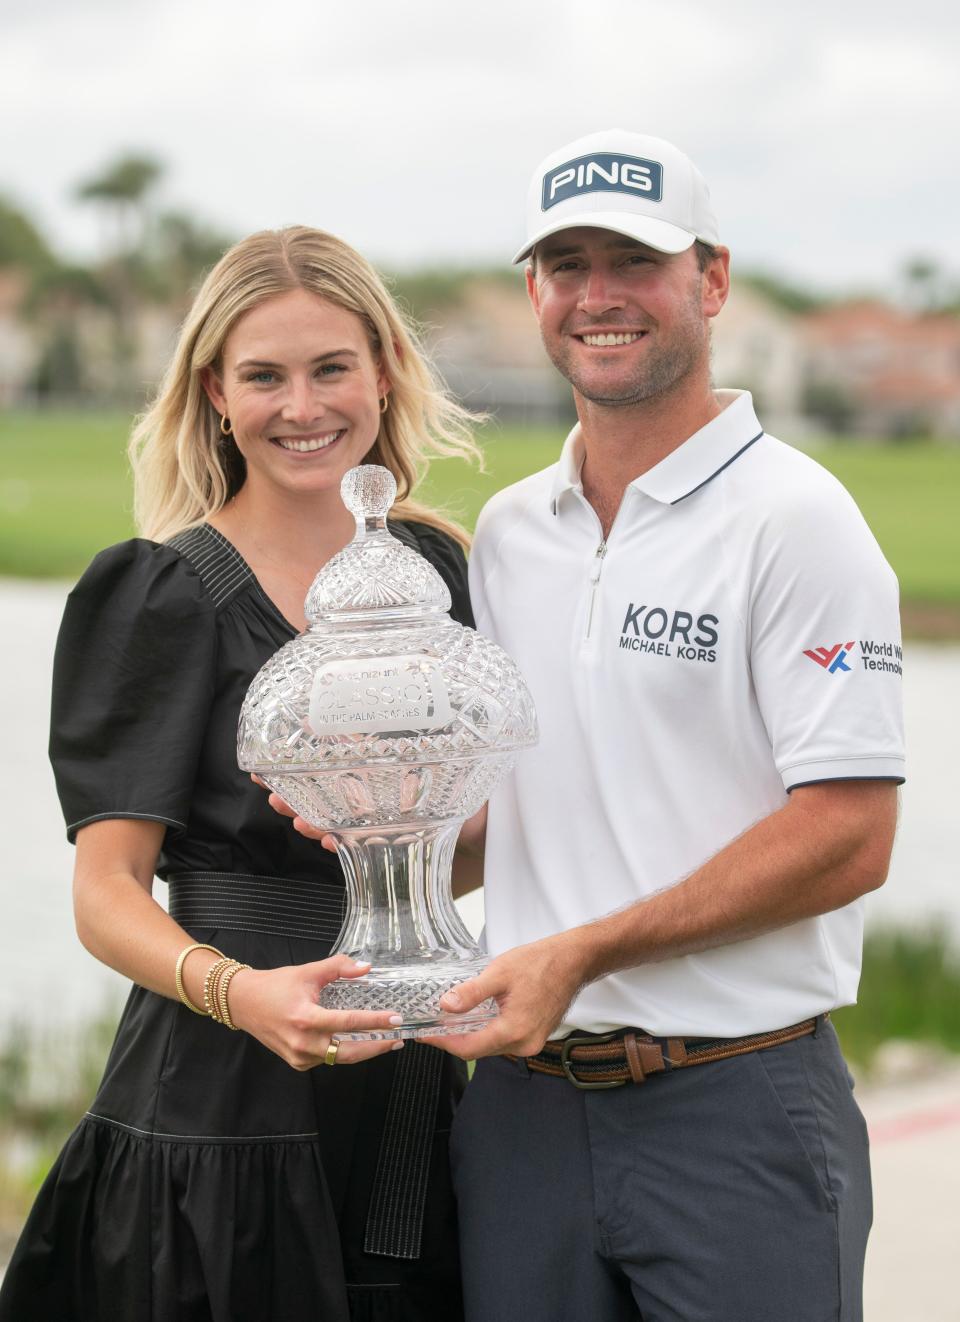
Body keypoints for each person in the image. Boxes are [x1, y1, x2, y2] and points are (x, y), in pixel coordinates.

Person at [433, 130, 905, 1321]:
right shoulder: (509, 531)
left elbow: (850, 834)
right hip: (524, 1116)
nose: (599, 296)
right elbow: (544, 807)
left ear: (712, 279)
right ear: (537, 289)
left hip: (733, 1103)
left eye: (635, 262)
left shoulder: (797, 520)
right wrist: (395, 839)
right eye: (567, 261)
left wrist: (581, 951)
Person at [0, 226, 478, 1322]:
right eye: (264, 375)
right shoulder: (160, 591)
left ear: (385, 372)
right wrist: (243, 993)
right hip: (219, 1101)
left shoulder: (440, 570)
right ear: (216, 393)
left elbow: (461, 844)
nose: (301, 405)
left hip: (409, 1086)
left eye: (331, 367)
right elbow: (106, 891)